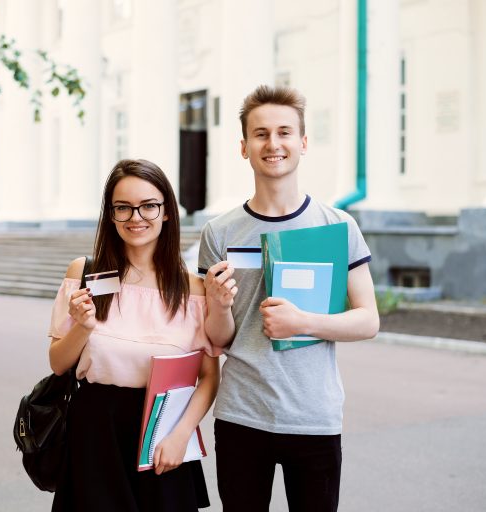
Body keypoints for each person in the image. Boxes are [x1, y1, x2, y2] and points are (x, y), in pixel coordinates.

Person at [199, 85, 380, 512]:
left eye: (284, 132)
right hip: (241, 415)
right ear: (244, 147)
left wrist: (304, 323)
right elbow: (217, 339)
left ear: (302, 142)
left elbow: (368, 319)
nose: (273, 143)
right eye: (260, 134)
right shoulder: (219, 233)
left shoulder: (337, 227)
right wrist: (220, 305)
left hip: (313, 415)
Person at [48, 159, 220, 511]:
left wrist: (182, 434)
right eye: (123, 208)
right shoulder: (86, 272)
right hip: (96, 431)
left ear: (167, 212)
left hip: (163, 429)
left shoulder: (193, 289)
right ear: (110, 215)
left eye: (148, 206)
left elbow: (208, 376)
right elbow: (57, 363)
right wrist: (84, 325)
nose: (135, 218)